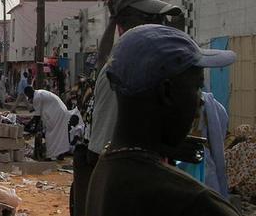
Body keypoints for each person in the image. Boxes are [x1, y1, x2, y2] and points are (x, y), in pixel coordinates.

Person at [85, 24, 238, 216]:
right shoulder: (194, 203)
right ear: (166, 92)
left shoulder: (106, 169)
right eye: (197, 87)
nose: (200, 101)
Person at [78, 0, 183, 216]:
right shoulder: (132, 69)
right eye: (151, 17)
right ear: (130, 23)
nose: (159, 24)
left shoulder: (126, 63)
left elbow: (103, 57)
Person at [25, 86, 72, 160]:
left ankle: (50, 156)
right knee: (60, 135)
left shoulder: (36, 97)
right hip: (62, 111)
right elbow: (36, 116)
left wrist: (34, 129)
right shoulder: (40, 92)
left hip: (57, 113)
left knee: (50, 135)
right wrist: (29, 124)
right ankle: (60, 154)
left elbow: (37, 117)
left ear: (28, 94)